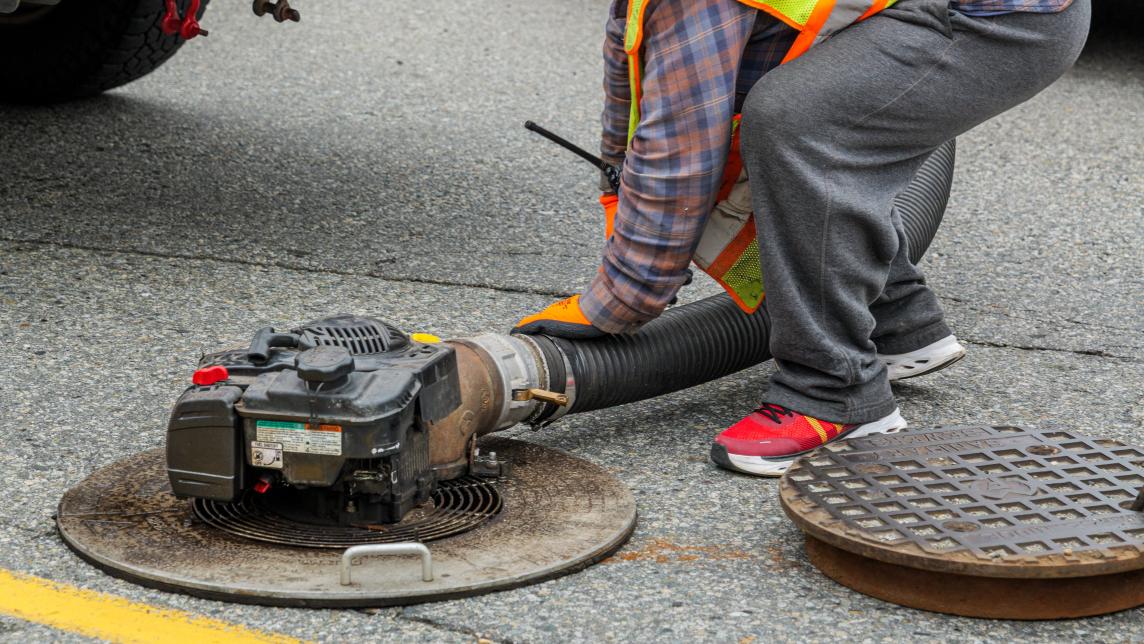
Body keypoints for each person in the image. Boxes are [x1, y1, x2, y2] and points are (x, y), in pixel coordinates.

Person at [514, 0, 1091, 476]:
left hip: (1002, 22)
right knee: (784, 115)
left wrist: (620, 298)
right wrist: (619, 186)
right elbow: (637, 69)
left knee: (799, 123)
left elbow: (679, 146)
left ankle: (835, 391)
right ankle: (898, 324)